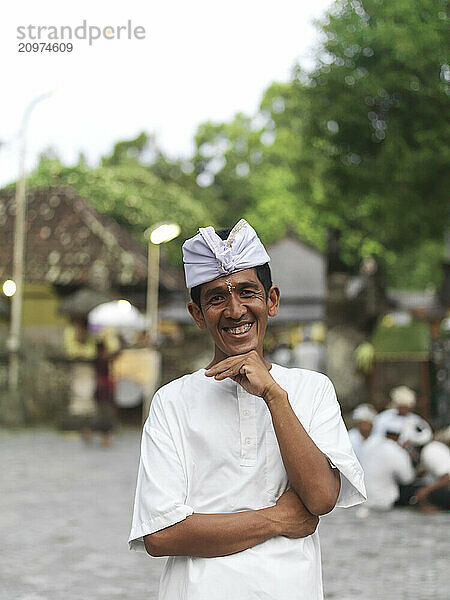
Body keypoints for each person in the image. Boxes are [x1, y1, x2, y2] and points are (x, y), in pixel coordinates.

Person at [128, 219, 366, 600]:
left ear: (271, 300)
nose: (235, 310)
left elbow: (321, 498)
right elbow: (160, 533)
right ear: (197, 313)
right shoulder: (172, 401)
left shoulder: (311, 389)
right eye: (217, 298)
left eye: (246, 292)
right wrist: (279, 518)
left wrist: (275, 396)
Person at [359, 417, 415, 510]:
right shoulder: (397, 451)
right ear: (399, 435)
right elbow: (407, 478)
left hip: (363, 500)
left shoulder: (369, 443)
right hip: (385, 502)